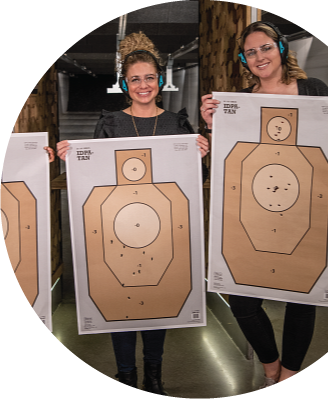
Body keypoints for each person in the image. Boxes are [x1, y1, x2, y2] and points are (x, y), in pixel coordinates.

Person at [200, 21, 328, 388]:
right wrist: (214, 126)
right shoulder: (241, 103)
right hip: (255, 219)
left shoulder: (313, 91)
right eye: (251, 52)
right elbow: (227, 163)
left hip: (308, 215)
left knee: (301, 300)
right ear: (244, 59)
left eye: (266, 48)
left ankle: (288, 372)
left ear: (282, 49)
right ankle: (271, 364)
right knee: (242, 303)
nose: (259, 56)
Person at [57, 31, 209, 396]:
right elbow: (93, 177)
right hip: (118, 229)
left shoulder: (178, 125)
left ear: (160, 81)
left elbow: (195, 180)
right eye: (136, 79)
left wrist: (202, 154)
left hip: (163, 231)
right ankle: (126, 376)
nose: (144, 85)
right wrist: (68, 158)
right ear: (126, 83)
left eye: (150, 78)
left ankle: (153, 378)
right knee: (120, 302)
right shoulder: (110, 123)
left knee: (159, 300)